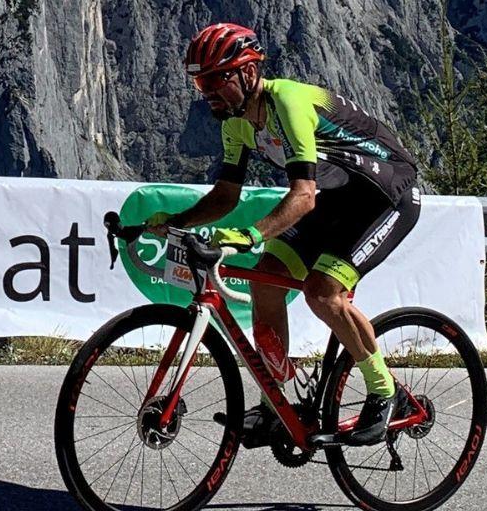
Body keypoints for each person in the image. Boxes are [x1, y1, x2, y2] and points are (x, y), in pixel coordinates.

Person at [146, 22, 422, 447]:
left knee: (322, 292)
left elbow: (303, 195)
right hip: (335, 199)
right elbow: (225, 195)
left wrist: (250, 234)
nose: (208, 93)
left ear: (248, 72)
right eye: (201, 83)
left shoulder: (288, 102)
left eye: (216, 80)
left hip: (386, 195)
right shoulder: (235, 122)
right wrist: (179, 220)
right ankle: (277, 406)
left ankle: (387, 394)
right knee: (267, 284)